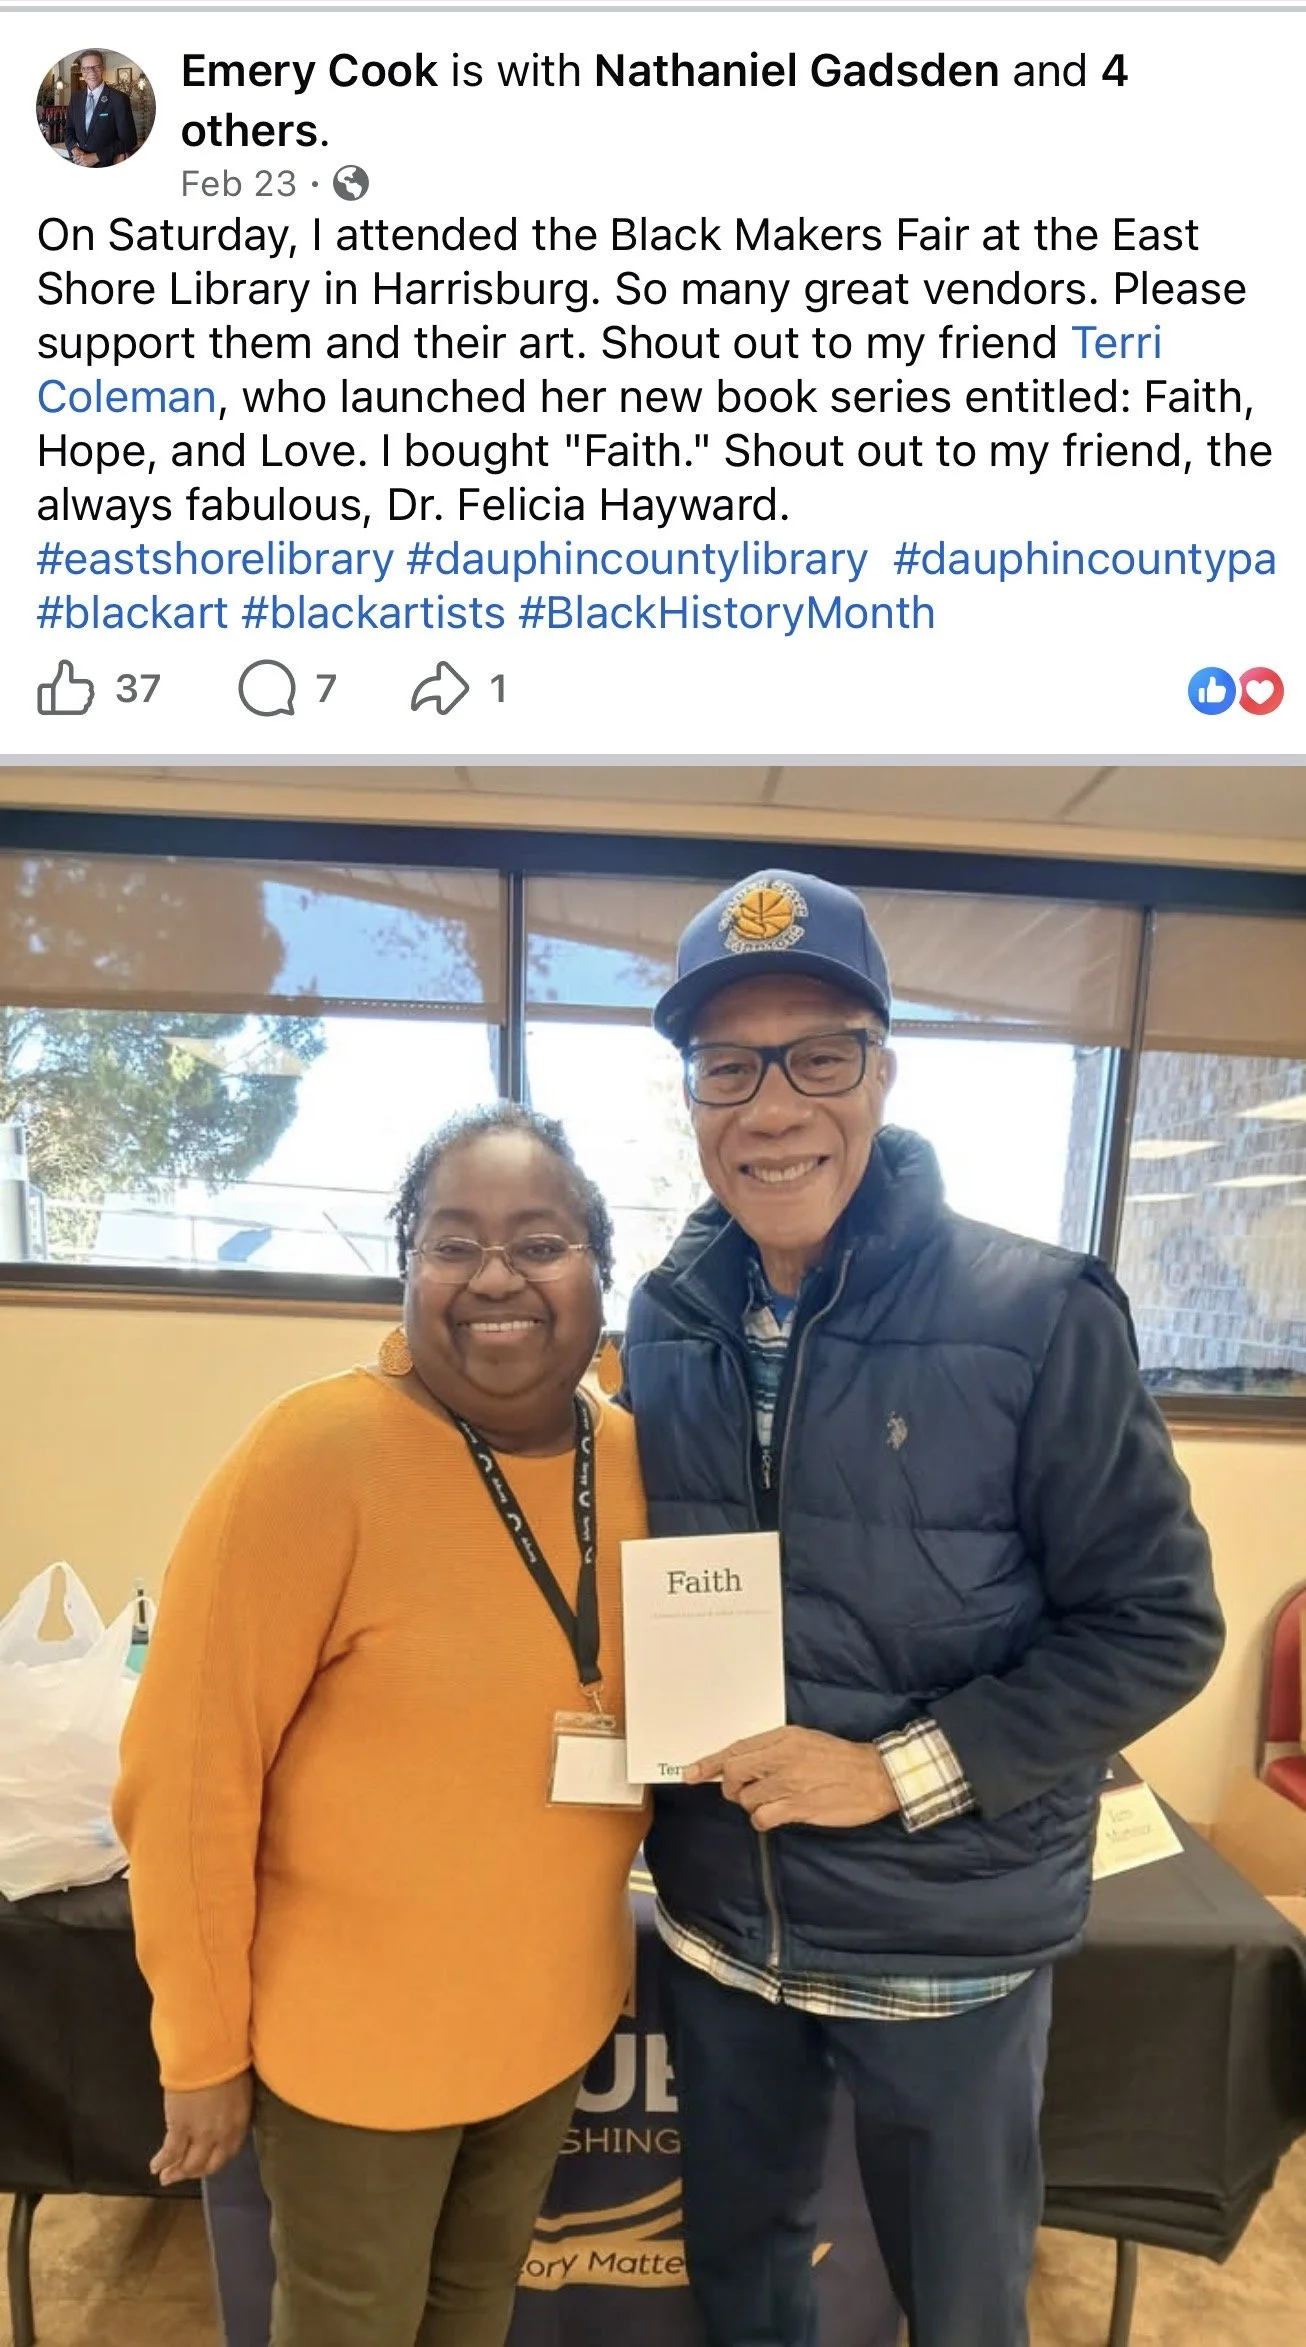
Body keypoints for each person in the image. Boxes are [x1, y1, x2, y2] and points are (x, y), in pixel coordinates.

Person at [620, 869, 1225, 2347]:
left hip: (942, 1943)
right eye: (727, 1066)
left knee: (960, 2310)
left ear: (881, 1072)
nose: (770, 1107)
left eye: (816, 1055)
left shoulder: (1034, 1311)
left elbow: (1157, 1622)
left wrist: (893, 1768)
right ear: (691, 1095)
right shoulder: (665, 1314)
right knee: (739, 2285)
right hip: (719, 1927)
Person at [114, 1104, 649, 2347]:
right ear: (407, 1264)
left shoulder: (630, 1456)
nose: (496, 1277)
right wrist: (196, 2040)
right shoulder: (317, 1454)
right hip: (357, 2042)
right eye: (451, 1242)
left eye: (541, 1240)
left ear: (596, 1267)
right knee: (352, 2322)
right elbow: (189, 1773)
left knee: (474, 2305)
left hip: (551, 2011)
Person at [66, 50, 136, 165]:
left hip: (106, 164)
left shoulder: (119, 99)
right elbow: (69, 129)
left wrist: (96, 157)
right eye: (86, 68)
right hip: (78, 162)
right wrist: (74, 148)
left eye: (96, 67)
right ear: (82, 71)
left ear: (103, 68)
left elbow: (129, 140)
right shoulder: (75, 98)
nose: (92, 72)